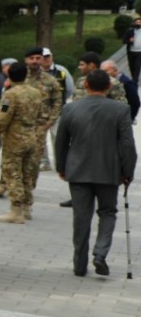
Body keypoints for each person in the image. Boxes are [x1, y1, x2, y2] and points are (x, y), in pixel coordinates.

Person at [55, 69, 137, 277]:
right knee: (108, 212)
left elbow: (61, 142)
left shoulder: (70, 109)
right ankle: (100, 253)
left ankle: (79, 263)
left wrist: (61, 167)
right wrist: (127, 172)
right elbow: (128, 144)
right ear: (109, 87)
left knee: (81, 216)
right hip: (109, 172)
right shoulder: (120, 110)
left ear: (85, 85)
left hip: (78, 169)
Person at [0, 61, 47, 224]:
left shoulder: (10, 95)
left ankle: (15, 210)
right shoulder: (36, 93)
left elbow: (3, 116)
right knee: (26, 174)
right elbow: (41, 115)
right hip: (31, 137)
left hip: (14, 139)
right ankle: (26, 207)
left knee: (13, 173)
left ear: (9, 75)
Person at [23, 47, 62, 171]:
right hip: (20, 124)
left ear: (42, 60)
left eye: (38, 58)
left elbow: (57, 102)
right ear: (26, 60)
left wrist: (51, 120)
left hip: (41, 124)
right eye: (31, 58)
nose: (34, 61)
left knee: (35, 159)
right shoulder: (18, 77)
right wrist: (4, 115)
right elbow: (6, 100)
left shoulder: (50, 80)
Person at [124, 15, 141, 83]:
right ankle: (133, 77)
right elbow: (124, 41)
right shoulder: (130, 32)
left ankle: (135, 80)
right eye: (137, 22)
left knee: (137, 66)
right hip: (131, 51)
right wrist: (129, 41)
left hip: (139, 52)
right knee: (132, 66)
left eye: (140, 22)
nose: (138, 24)